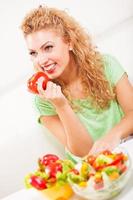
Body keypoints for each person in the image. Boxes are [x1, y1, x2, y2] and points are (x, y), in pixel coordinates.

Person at [21, 5, 133, 163]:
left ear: (69, 42)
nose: (41, 60)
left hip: (127, 149)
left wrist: (112, 137)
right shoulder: (43, 99)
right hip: (90, 172)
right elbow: (84, 151)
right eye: (33, 53)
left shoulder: (106, 65)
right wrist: (61, 105)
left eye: (48, 47)